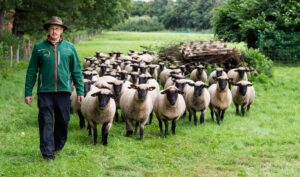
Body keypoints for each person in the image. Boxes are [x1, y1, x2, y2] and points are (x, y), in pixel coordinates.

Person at [24, 16, 84, 160]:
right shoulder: (39, 48)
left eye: (57, 28)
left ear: (62, 30)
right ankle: (47, 153)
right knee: (45, 121)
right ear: (48, 30)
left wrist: (81, 90)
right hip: (45, 92)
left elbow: (76, 70)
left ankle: (57, 145)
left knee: (63, 121)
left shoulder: (70, 48)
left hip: (64, 91)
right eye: (51, 28)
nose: (54, 31)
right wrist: (28, 92)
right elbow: (32, 71)